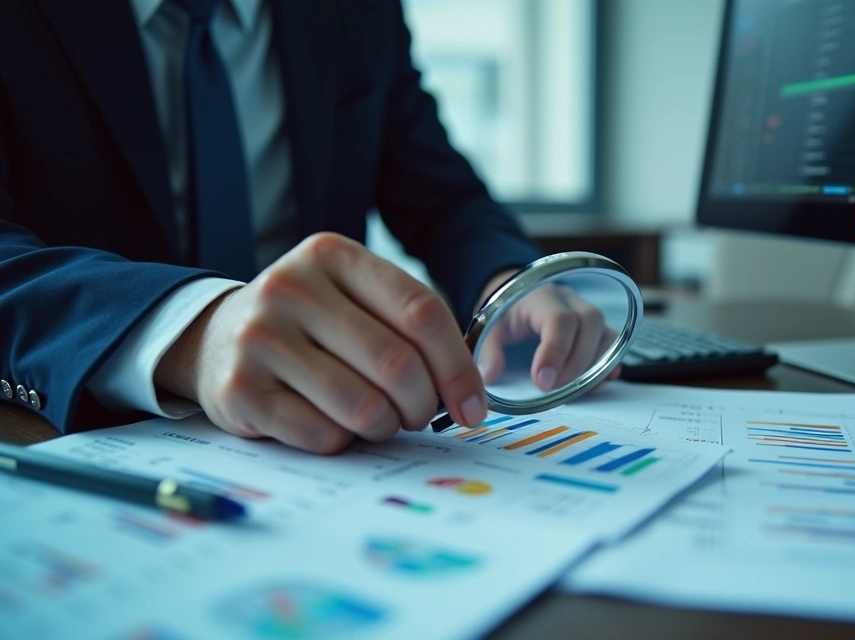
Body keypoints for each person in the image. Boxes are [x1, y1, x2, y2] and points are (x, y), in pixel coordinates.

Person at [0, 0, 609, 453]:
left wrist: (507, 281)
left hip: (336, 431)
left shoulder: (357, 13)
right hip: (83, 430)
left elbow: (443, 196)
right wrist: (195, 329)